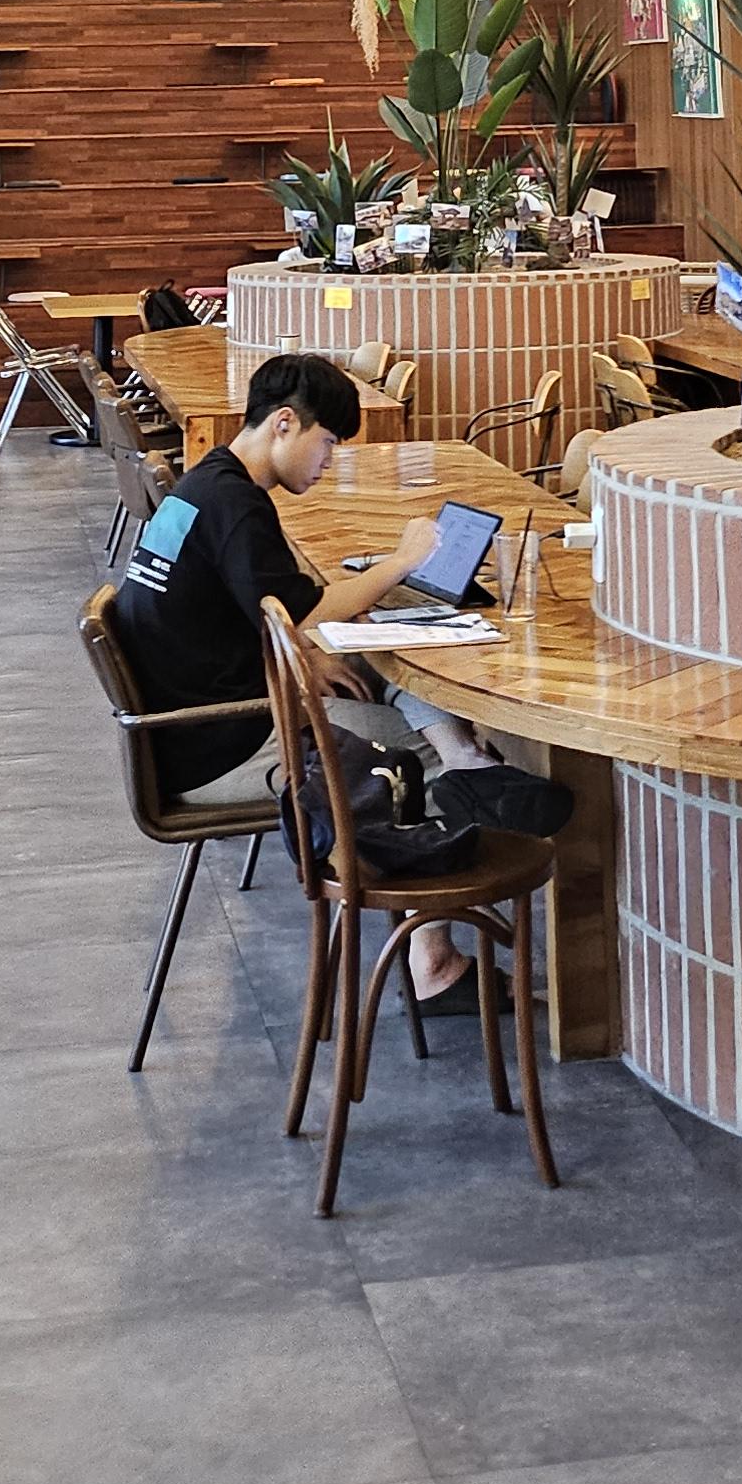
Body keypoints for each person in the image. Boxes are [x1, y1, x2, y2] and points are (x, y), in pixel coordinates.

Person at [108, 353, 510, 1010]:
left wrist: (303, 657)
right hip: (216, 748)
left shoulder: (204, 486)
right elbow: (306, 612)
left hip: (187, 727)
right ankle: (435, 965)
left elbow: (257, 612)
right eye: (326, 443)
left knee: (365, 672)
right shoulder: (237, 506)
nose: (328, 462)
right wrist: (403, 562)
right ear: (285, 424)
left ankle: (460, 793)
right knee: (426, 759)